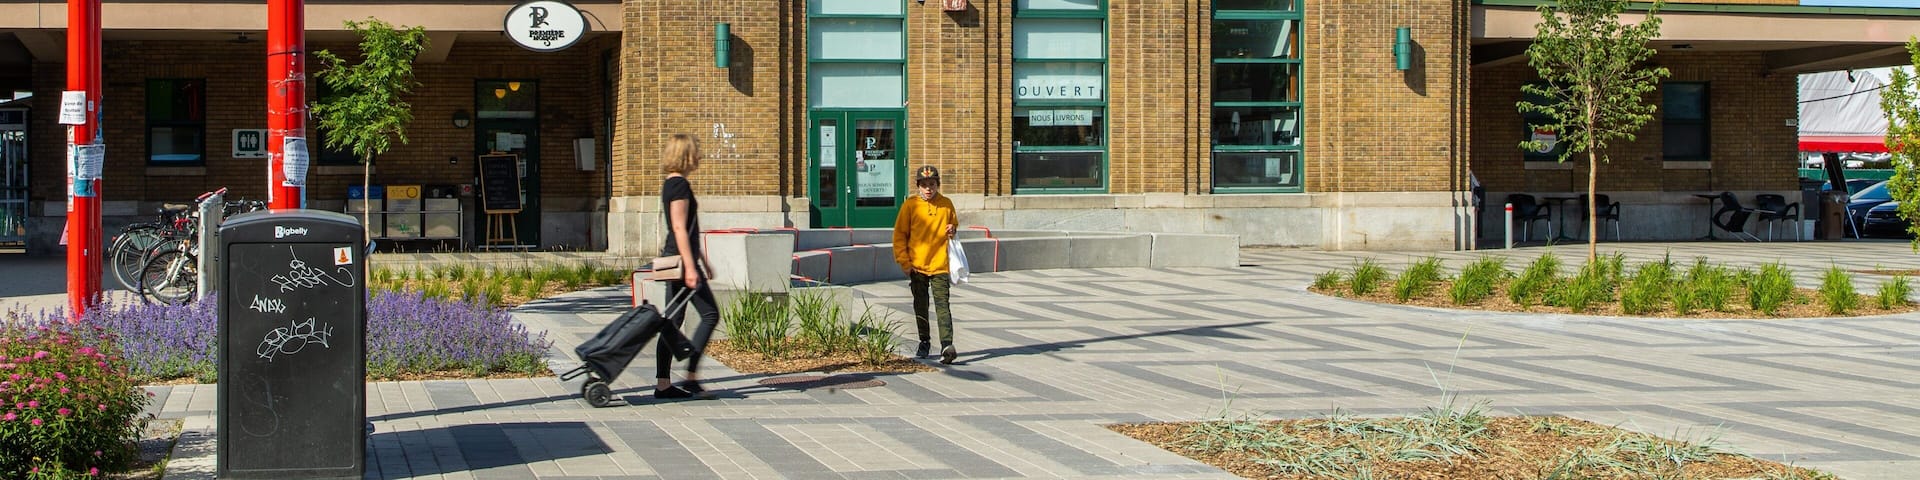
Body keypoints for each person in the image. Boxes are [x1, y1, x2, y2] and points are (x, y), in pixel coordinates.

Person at [656, 133, 721, 399]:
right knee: (710, 315)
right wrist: (692, 267)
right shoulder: (679, 185)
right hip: (682, 263)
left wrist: (703, 259)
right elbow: (680, 227)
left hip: (681, 259)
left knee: (673, 321)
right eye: (696, 151)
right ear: (685, 155)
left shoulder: (671, 184)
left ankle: (663, 384)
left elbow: (687, 229)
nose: (700, 156)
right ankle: (691, 377)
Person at [892, 165, 960, 364]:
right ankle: (924, 341)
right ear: (918, 186)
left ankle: (947, 344)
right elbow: (899, 236)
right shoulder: (910, 205)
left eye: (932, 184)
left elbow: (953, 225)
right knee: (920, 305)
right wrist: (904, 262)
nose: (928, 189)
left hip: (940, 263)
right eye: (924, 185)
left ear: (937, 184)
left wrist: (952, 228)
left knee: (942, 305)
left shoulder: (946, 204)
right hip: (917, 265)